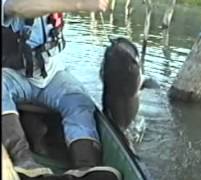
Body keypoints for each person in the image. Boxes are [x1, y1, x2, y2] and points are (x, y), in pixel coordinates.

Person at [1, 0, 121, 179]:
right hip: (10, 75)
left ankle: (85, 166)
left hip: (50, 74)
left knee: (79, 100)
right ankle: (23, 161)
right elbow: (17, 7)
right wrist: (81, 4)